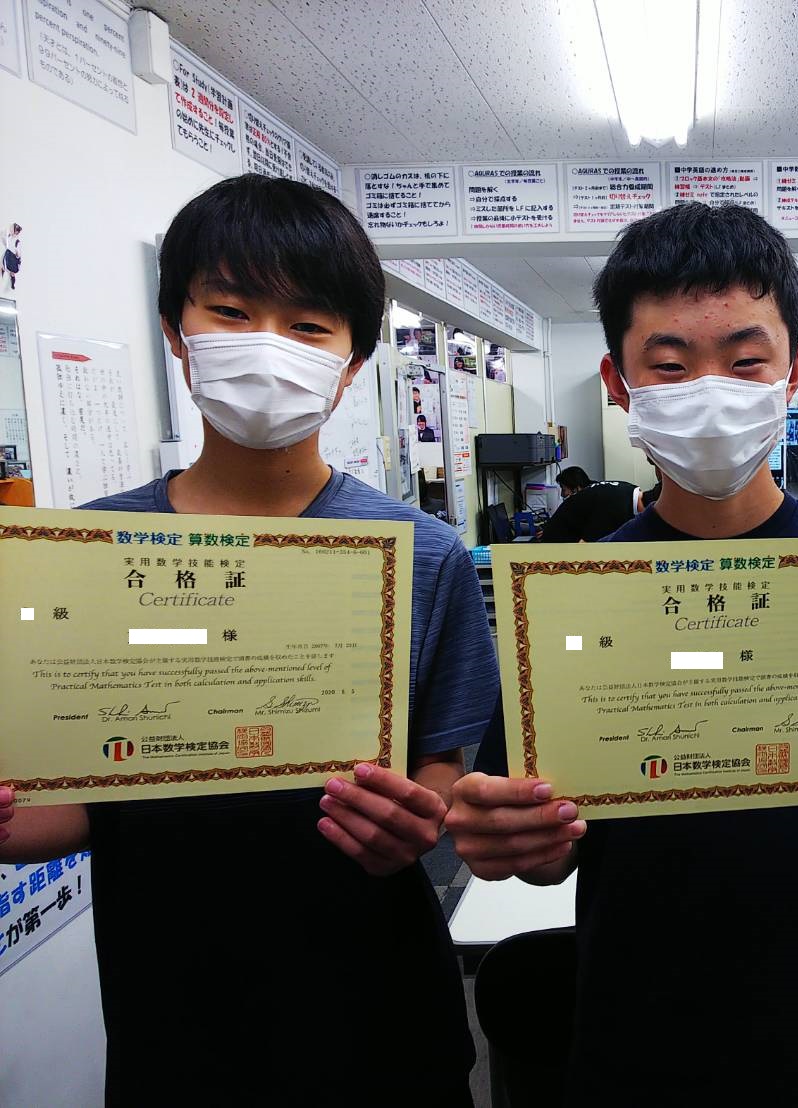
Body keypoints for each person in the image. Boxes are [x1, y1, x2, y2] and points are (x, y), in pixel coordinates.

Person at [445, 202, 798, 1107]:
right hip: (630, 1048)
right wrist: (507, 838)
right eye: (668, 365)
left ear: (793, 371)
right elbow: (539, 847)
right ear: (618, 382)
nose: (709, 391)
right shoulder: (575, 593)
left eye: (744, 362)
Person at [0, 174, 497, 1104]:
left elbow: (439, 766)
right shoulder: (89, 551)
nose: (267, 348)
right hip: (173, 1005)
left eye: (308, 326)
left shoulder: (420, 554)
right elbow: (82, 801)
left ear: (352, 362)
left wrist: (419, 821)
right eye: (230, 311)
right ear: (175, 330)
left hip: (378, 1006)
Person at [538, 477, 659, 542]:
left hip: (562, 525)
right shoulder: (616, 509)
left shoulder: (630, 490)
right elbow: (586, 546)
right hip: (559, 540)